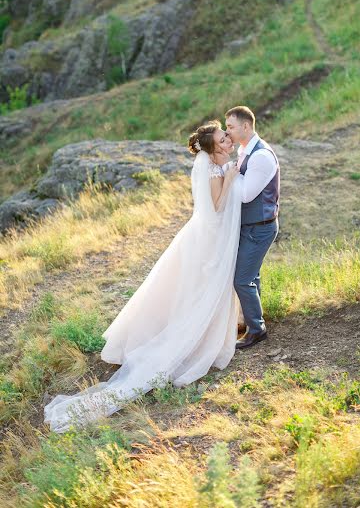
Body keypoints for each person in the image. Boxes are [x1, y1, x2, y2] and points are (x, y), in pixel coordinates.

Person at [43, 120, 242, 433]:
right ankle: (196, 341)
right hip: (210, 237)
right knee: (204, 289)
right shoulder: (216, 171)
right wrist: (230, 177)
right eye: (223, 138)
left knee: (197, 289)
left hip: (203, 234)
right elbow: (217, 207)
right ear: (215, 148)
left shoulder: (209, 162)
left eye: (227, 135)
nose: (228, 139)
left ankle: (207, 332)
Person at [225, 106, 280, 349]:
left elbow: (246, 195)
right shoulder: (244, 150)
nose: (227, 131)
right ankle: (252, 320)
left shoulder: (261, 156)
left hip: (261, 226)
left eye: (230, 127)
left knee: (241, 279)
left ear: (245, 126)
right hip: (250, 225)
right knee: (251, 276)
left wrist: (230, 173)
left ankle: (257, 330)